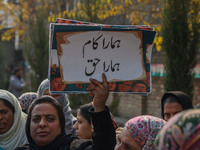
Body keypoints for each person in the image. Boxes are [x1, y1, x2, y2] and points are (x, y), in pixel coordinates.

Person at [14, 73, 116, 150]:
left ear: (60, 124)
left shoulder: (75, 147)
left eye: (50, 119)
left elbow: (104, 146)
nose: (42, 124)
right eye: (36, 119)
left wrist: (99, 106)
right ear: (28, 124)